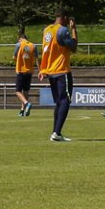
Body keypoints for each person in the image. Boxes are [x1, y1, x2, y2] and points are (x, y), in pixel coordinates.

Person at [37, 13, 76, 142]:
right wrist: (74, 29)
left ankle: (55, 132)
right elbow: (74, 47)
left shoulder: (47, 30)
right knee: (65, 101)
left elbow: (45, 51)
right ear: (64, 18)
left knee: (59, 103)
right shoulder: (62, 30)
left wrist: (43, 69)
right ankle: (57, 132)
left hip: (51, 72)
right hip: (62, 71)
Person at [12, 26, 37, 117]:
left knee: (18, 91)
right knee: (26, 92)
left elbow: (14, 57)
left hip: (21, 71)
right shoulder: (33, 45)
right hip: (29, 72)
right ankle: (23, 110)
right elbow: (36, 58)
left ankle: (26, 103)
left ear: (21, 39)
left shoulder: (19, 45)